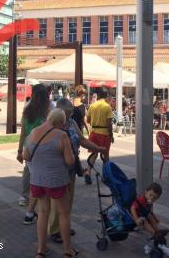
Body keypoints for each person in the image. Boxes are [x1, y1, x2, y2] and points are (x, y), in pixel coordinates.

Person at [48, 99, 106, 244]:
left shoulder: (72, 123)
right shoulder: (51, 125)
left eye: (70, 113)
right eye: (66, 114)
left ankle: (64, 226)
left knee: (68, 199)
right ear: (58, 112)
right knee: (57, 202)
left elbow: (82, 140)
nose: (68, 116)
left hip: (71, 168)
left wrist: (98, 148)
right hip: (57, 170)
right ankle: (55, 230)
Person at [22, 109, 76, 258]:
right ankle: (67, 250)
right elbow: (70, 161)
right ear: (60, 122)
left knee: (43, 212)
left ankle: (41, 249)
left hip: (37, 181)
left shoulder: (33, 132)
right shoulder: (62, 135)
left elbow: (26, 155)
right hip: (57, 181)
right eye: (63, 124)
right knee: (63, 214)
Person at [17, 84, 51, 221]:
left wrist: (20, 150)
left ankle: (24, 197)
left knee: (28, 171)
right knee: (40, 175)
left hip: (28, 147)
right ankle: (33, 207)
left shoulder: (27, 110)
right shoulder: (47, 111)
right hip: (42, 147)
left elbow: (23, 132)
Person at [130, 182, 169, 257]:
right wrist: (136, 219)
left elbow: (149, 211)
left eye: (154, 198)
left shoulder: (149, 202)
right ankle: (154, 233)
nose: (151, 198)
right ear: (146, 192)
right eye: (150, 195)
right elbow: (132, 208)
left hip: (144, 215)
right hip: (138, 217)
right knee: (145, 220)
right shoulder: (140, 200)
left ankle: (157, 231)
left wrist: (155, 218)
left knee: (150, 216)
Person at [84, 89, 114, 185]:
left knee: (94, 153)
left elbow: (88, 120)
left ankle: (88, 172)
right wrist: (111, 135)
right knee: (105, 155)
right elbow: (109, 123)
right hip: (104, 133)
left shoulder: (92, 106)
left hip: (93, 132)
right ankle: (105, 176)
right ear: (106, 96)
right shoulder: (107, 107)